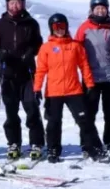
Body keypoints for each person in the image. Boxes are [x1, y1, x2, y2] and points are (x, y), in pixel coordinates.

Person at [33, 14, 103, 163]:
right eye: (56, 27)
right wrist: (37, 88)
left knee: (85, 121)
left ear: (67, 27)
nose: (60, 30)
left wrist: (90, 85)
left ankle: (94, 148)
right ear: (51, 29)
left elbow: (84, 66)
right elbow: (40, 70)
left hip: (74, 91)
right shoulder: (46, 48)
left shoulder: (75, 46)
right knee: (53, 123)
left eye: (62, 26)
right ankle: (53, 150)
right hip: (53, 92)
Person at [0, 0, 46, 161]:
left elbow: (39, 44)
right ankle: (14, 143)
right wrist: (0, 53)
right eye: (12, 3)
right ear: (7, 5)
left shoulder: (31, 23)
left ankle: (36, 143)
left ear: (23, 4)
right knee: (11, 110)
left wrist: (31, 52)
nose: (15, 6)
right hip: (7, 73)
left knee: (31, 107)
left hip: (27, 72)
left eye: (18, 2)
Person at [75, 0, 110, 157]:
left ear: (107, 9)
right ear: (92, 10)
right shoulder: (84, 28)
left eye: (103, 8)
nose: (100, 10)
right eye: (97, 8)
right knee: (89, 112)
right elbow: (77, 48)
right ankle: (87, 143)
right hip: (91, 77)